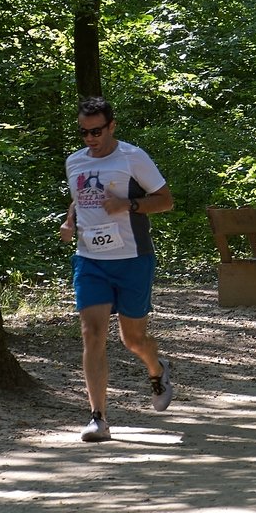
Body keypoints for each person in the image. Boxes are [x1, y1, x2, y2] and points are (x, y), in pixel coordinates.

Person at [60, 96, 175, 442]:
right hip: (90, 260)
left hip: (132, 259)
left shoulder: (132, 158)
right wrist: (69, 222)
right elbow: (80, 199)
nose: (90, 138)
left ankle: (157, 369)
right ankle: (99, 418)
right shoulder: (74, 162)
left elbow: (166, 200)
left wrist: (129, 204)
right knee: (92, 334)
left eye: (96, 131)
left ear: (112, 126)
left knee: (133, 339)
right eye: (84, 132)